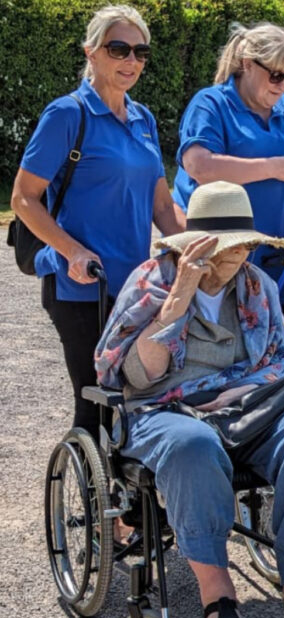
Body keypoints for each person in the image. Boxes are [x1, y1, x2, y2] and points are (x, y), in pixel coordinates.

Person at [95, 181, 284, 618]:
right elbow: (131, 375)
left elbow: (282, 363)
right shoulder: (151, 281)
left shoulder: (257, 285)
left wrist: (233, 393)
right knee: (193, 444)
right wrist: (178, 300)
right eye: (224, 246)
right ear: (193, 246)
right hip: (165, 408)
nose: (236, 255)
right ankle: (217, 593)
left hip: (248, 407)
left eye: (243, 245)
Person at [10, 4, 181, 439]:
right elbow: (24, 198)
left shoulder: (143, 119)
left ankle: (131, 483)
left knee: (142, 395)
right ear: (91, 51)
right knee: (96, 406)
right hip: (81, 285)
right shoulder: (68, 115)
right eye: (118, 49)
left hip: (136, 288)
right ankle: (86, 484)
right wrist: (73, 252)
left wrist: (199, 248)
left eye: (140, 52)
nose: (131, 61)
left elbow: (162, 207)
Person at [172, 22, 284, 315]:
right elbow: (199, 166)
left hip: (277, 260)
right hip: (219, 261)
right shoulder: (211, 104)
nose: (282, 86)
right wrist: (271, 168)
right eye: (276, 75)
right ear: (247, 64)